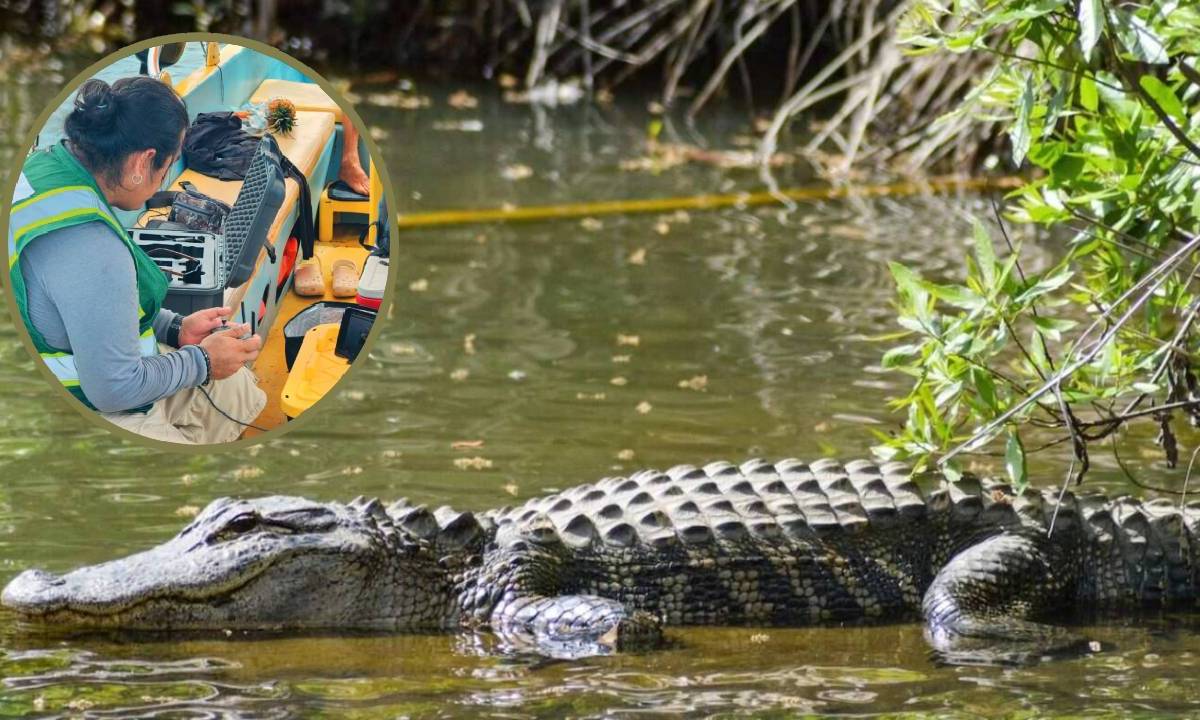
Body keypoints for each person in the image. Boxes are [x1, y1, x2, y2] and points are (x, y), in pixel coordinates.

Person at [8, 76, 266, 444]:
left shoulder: (47, 166)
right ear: (143, 162)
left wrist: (175, 328)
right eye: (168, 165)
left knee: (235, 387)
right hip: (82, 407)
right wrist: (204, 363)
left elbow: (83, 305)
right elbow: (113, 389)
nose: (164, 180)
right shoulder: (94, 249)